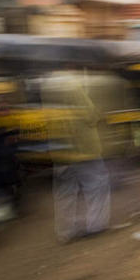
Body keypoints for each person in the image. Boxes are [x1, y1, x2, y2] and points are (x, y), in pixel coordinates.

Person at [41, 68, 111, 243]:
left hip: (60, 147)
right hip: (83, 147)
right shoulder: (72, 85)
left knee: (64, 191)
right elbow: (90, 114)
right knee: (96, 184)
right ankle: (96, 225)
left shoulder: (46, 87)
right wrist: (98, 114)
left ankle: (65, 232)